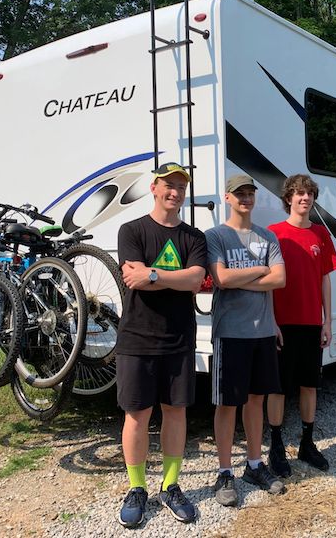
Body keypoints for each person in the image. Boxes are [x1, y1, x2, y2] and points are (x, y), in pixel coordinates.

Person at [115, 162, 207, 527]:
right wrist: (175, 277)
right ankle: (137, 487)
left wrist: (153, 274)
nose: (175, 192)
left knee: (175, 412)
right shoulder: (132, 230)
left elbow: (196, 279)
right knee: (137, 415)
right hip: (136, 337)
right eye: (169, 185)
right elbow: (132, 279)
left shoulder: (193, 237)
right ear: (154, 188)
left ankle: (170, 485)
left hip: (178, 338)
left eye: (181, 187)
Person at [206, 174, 287, 506]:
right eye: (239, 193)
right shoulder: (216, 236)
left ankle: (254, 464)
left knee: (256, 401)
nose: (246, 198)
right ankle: (225, 471)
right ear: (227, 197)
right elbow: (221, 278)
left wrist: (243, 278)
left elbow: (280, 279)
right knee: (227, 405)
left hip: (263, 331)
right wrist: (260, 270)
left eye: (250, 193)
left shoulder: (267, 236)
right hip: (230, 331)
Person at [266, 174, 336, 477]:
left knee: (310, 385)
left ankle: (307, 444)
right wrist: (271, 321)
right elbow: (267, 282)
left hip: (311, 322)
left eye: (309, 194)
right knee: (278, 387)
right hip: (282, 323)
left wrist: (327, 321)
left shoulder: (320, 234)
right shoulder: (274, 233)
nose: (304, 198)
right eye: (298, 193)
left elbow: (325, 279)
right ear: (288, 199)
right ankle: (275, 446)